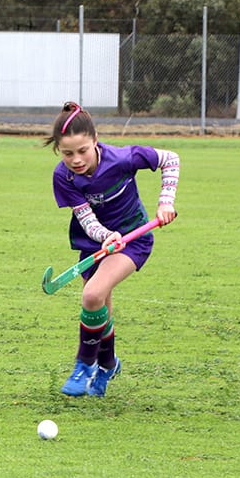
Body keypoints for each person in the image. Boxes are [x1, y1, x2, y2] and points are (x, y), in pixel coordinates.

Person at [45, 101, 178, 397]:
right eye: (67, 153)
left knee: (91, 294)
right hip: (96, 242)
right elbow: (85, 218)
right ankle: (108, 364)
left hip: (134, 240)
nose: (76, 159)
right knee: (100, 307)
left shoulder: (123, 158)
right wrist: (105, 235)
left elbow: (171, 159)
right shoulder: (63, 176)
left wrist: (165, 201)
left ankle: (85, 364)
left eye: (82, 151)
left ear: (95, 140)